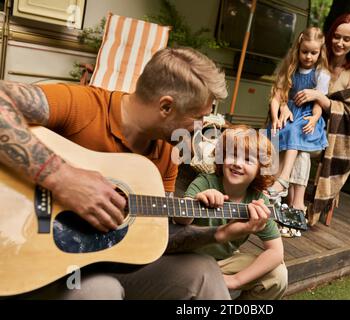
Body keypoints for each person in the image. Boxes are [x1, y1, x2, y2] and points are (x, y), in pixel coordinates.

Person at [0, 47, 267, 299]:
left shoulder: (168, 150)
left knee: (204, 271)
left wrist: (217, 234)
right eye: (198, 118)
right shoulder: (85, 106)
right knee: (100, 290)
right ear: (166, 107)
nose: (201, 129)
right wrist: (62, 179)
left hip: (105, 261)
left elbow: (156, 236)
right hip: (39, 261)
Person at [175, 125, 288, 300]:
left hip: (224, 261)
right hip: (190, 260)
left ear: (260, 169)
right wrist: (198, 200)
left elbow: (276, 251)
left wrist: (236, 280)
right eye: (232, 155)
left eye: (248, 160)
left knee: (278, 275)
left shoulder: (257, 200)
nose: (237, 163)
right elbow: (180, 220)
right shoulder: (205, 182)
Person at [279, 14, 350, 226]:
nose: (340, 43)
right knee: (290, 136)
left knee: (299, 145)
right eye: (337, 36)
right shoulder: (317, 57)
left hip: (330, 135)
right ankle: (293, 206)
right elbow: (288, 83)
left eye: (347, 39)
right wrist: (283, 105)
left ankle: (292, 206)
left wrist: (320, 97)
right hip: (300, 123)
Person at [266, 27, 330, 236]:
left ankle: (282, 179)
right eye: (305, 52)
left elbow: (319, 101)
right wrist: (276, 118)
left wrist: (315, 117)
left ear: (320, 52)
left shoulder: (321, 74)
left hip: (307, 118)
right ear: (298, 49)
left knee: (293, 131)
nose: (308, 57)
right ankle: (291, 203)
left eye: (313, 53)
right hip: (290, 112)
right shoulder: (291, 67)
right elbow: (279, 95)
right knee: (276, 134)